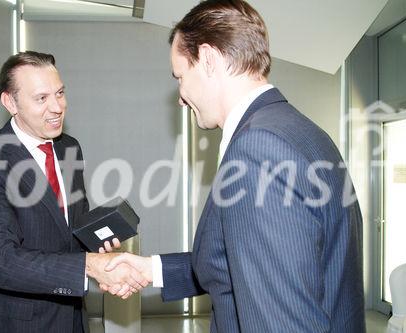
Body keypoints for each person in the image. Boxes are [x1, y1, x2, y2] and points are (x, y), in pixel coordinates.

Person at [104, 1, 365, 332]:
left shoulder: (258, 151)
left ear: (210, 60)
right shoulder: (304, 133)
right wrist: (150, 269)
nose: (180, 96)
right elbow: (251, 261)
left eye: (180, 76)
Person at [0, 51, 147, 333]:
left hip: (72, 317)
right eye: (41, 98)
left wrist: (101, 247)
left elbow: (70, 229)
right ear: (10, 102)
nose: (57, 107)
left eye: (60, 93)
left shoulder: (69, 147)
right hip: (18, 324)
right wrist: (88, 266)